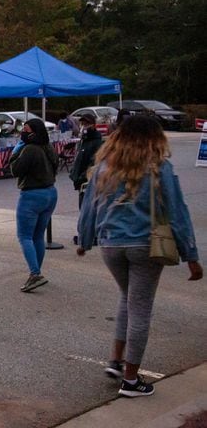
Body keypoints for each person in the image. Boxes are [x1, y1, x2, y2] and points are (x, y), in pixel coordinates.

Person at [77, 115, 202, 398]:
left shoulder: (104, 167)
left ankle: (116, 361)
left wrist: (84, 240)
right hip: (146, 245)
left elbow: (89, 207)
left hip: (111, 244)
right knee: (140, 307)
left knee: (128, 298)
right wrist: (190, 254)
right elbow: (177, 212)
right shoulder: (160, 168)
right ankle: (131, 380)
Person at [8, 118, 59, 292]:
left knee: (25, 236)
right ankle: (36, 271)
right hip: (50, 193)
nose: (23, 132)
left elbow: (15, 169)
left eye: (26, 129)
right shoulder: (48, 147)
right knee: (38, 236)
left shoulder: (29, 149)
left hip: (31, 195)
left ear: (34, 132)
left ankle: (35, 273)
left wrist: (16, 150)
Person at [69, 113, 104, 195]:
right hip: (80, 183)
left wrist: (82, 177)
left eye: (87, 124)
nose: (84, 126)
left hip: (88, 183)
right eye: (82, 124)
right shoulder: (84, 140)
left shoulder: (96, 142)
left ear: (93, 125)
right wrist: (74, 172)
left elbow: (94, 162)